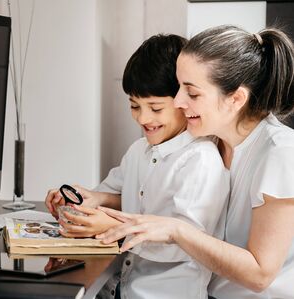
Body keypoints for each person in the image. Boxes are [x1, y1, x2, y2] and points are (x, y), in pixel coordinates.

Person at [98, 25, 294, 299]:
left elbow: (260, 275)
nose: (178, 101)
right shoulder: (212, 139)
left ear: (236, 99)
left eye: (192, 93)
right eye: (179, 88)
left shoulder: (280, 152)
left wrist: (176, 230)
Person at [45, 34, 230, 299]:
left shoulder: (200, 159)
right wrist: (84, 202)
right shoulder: (138, 151)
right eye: (134, 106)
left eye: (155, 108)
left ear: (182, 101)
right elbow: (116, 196)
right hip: (120, 288)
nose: (143, 118)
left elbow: (187, 244)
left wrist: (112, 230)